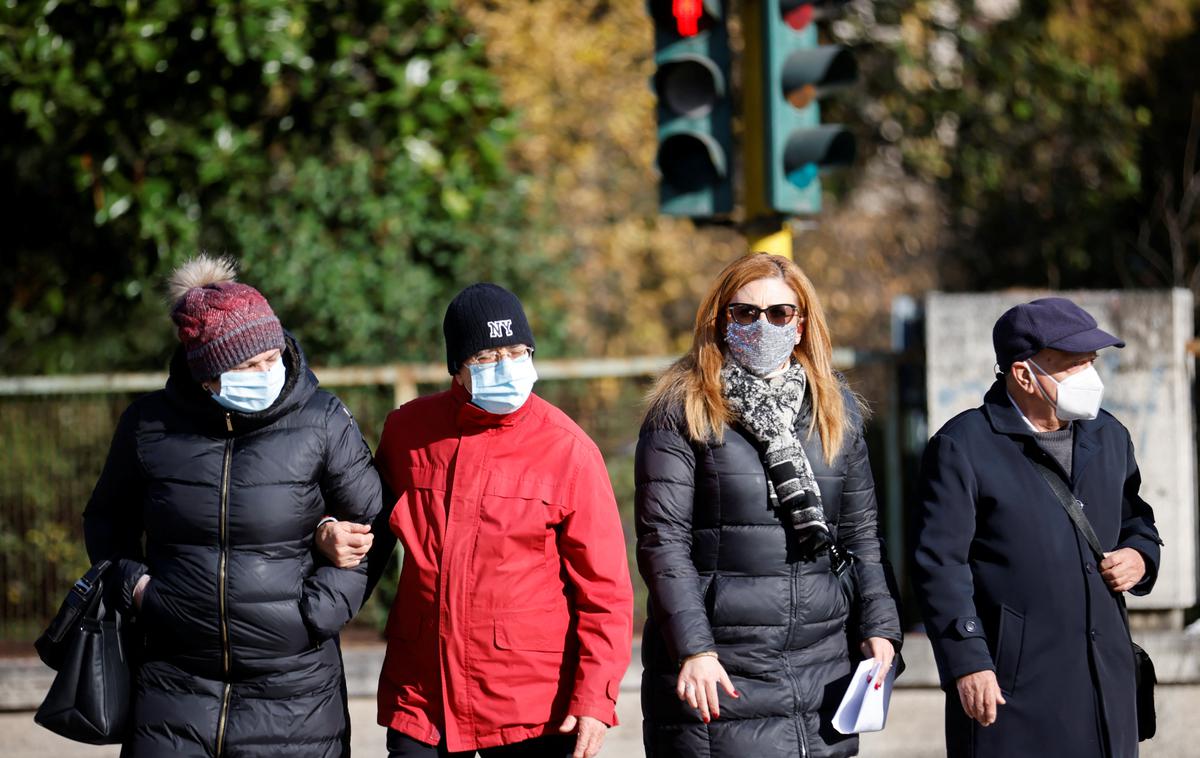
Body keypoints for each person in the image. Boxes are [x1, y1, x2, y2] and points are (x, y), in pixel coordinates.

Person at [82, 255, 382, 756]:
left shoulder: (323, 419)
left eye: (273, 356)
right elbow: (107, 518)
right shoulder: (147, 425)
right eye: (249, 364)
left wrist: (316, 613)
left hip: (296, 690)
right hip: (172, 684)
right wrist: (137, 589)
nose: (268, 372)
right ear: (207, 375)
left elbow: (373, 522)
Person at [319, 283, 634, 758]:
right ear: (458, 368)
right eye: (488, 356)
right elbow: (367, 526)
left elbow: (605, 591)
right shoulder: (409, 431)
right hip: (423, 701)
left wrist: (596, 696)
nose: (506, 367)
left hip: (532, 710)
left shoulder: (570, 450)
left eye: (517, 351)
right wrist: (326, 532)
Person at [634, 253, 903, 757]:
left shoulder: (834, 408)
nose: (764, 325)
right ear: (720, 320)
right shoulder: (683, 408)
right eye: (745, 313)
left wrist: (880, 628)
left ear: (801, 324)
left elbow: (862, 534)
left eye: (780, 313)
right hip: (722, 669)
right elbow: (662, 543)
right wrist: (694, 647)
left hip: (823, 668)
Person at [911, 297, 1162, 758]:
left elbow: (1136, 519)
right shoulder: (962, 446)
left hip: (1106, 684)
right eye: (1073, 365)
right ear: (1024, 374)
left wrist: (1141, 556)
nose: (1090, 376)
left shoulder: (1110, 436)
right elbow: (939, 565)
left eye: (1092, 361)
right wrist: (968, 661)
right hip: (1013, 690)